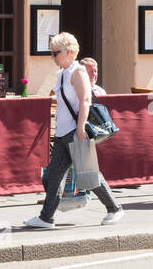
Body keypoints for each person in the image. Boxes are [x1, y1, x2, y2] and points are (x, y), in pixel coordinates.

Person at [23, 32, 124, 229]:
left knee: (88, 172)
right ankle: (46, 218)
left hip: (74, 131)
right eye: (51, 53)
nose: (52, 57)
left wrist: (80, 127)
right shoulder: (63, 73)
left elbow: (86, 99)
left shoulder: (78, 72)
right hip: (63, 132)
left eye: (55, 53)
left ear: (68, 52)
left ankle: (114, 208)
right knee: (54, 175)